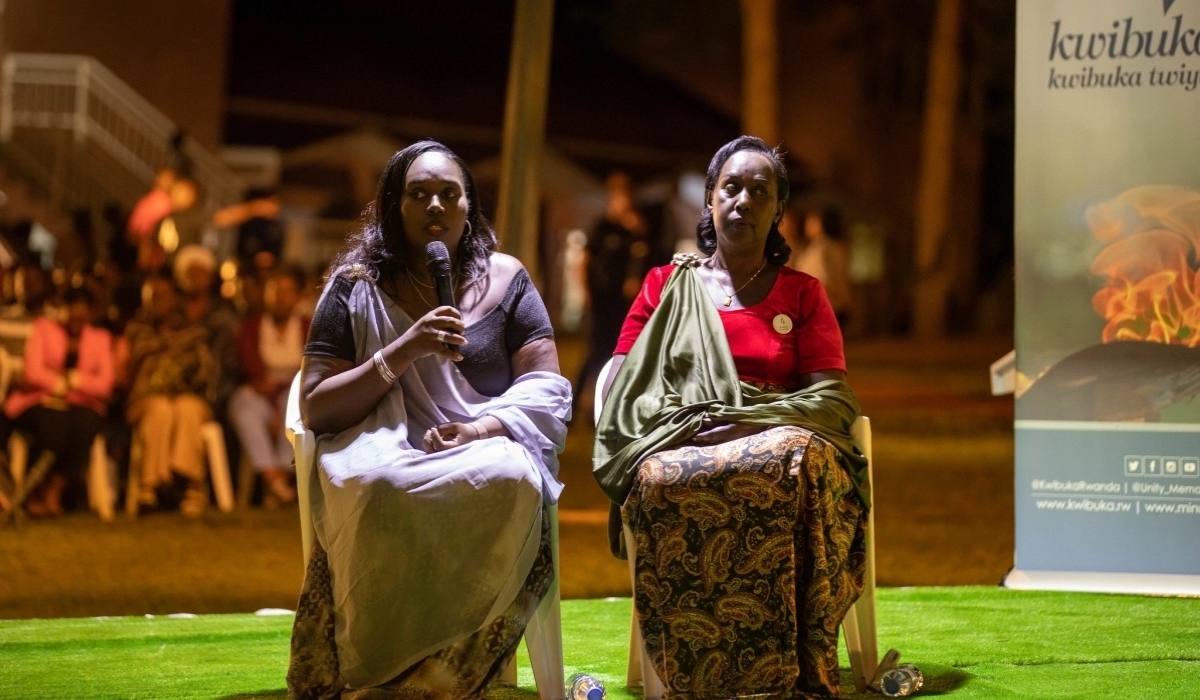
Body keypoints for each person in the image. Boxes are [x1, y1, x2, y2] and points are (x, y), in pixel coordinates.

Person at [288, 140, 571, 698]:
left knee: (512, 477)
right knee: (379, 484)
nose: (435, 205)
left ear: (469, 206)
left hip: (480, 441)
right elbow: (316, 404)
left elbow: (547, 389)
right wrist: (404, 349)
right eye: (418, 194)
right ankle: (389, 672)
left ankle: (452, 670)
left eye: (448, 193)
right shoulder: (354, 287)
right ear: (394, 207)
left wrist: (478, 429)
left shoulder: (507, 279)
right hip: (379, 443)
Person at [594, 136, 869, 699]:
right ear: (710, 200)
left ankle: (788, 672)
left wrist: (752, 423)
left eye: (760, 191)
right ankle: (697, 672)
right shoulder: (665, 287)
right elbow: (626, 384)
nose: (743, 201)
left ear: (777, 210)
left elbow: (833, 399)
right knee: (658, 478)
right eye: (731, 187)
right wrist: (689, 421)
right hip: (684, 437)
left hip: (780, 438)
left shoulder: (803, 294)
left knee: (795, 456)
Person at [4, 287, 114, 516]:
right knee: (53, 425)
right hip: (41, 399)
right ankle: (34, 490)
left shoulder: (100, 338)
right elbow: (32, 371)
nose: (76, 322)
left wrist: (75, 380)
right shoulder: (44, 329)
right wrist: (58, 383)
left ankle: (55, 488)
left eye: (81, 318)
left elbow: (105, 384)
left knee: (84, 425)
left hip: (82, 404)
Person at [123, 275, 216, 516]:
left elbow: (205, 374)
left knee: (188, 409)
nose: (160, 301)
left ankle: (190, 487)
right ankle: (149, 489)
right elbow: (126, 369)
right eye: (154, 297)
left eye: (165, 295)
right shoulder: (136, 332)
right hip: (146, 399)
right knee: (161, 409)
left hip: (187, 395)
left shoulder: (194, 334)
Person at [228, 265, 309, 507]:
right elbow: (249, 368)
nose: (280, 297)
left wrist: (279, 393)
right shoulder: (251, 327)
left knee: (294, 407)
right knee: (243, 406)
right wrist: (269, 395)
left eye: (287, 291)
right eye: (275, 290)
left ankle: (279, 476)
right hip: (260, 393)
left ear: (297, 296)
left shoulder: (308, 327)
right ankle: (275, 479)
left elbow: (314, 369)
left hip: (294, 391)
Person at [573, 171, 649, 416]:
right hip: (599, 299)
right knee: (593, 352)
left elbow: (642, 258)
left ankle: (604, 406)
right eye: (618, 196)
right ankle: (574, 405)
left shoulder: (634, 229)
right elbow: (584, 260)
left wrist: (637, 231)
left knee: (616, 353)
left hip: (621, 302)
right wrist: (585, 291)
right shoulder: (601, 226)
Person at [790, 205, 852, 327]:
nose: (807, 224)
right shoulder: (826, 246)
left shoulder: (823, 248)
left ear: (821, 223)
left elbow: (825, 280)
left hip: (825, 308)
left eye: (812, 220)